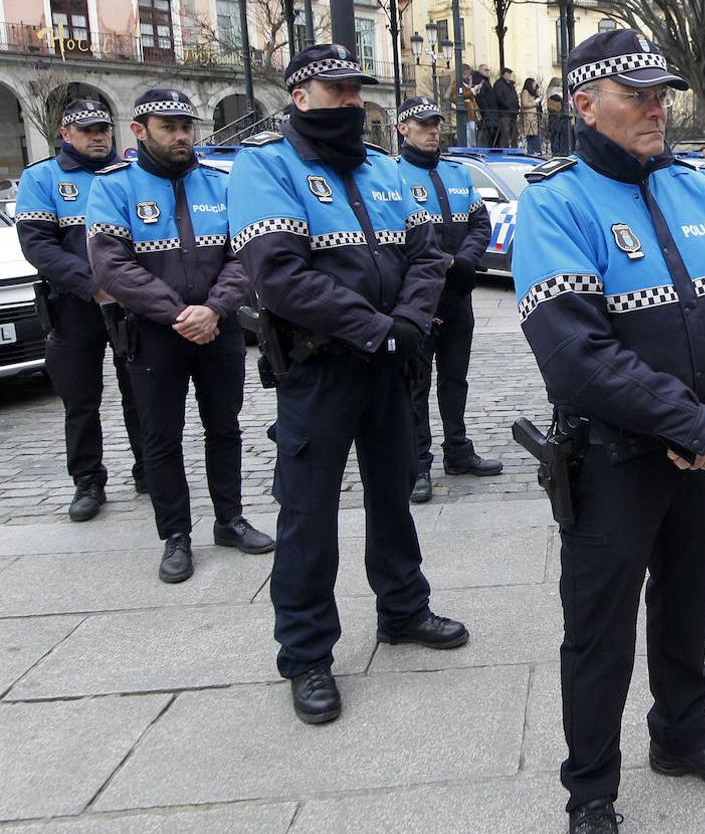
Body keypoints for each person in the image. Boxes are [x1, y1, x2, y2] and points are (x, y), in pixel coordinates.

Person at [511, 28, 705, 834]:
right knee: (598, 635)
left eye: (663, 95)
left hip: (698, 453)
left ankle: (683, 734)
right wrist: (696, 423)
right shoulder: (555, 200)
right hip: (613, 461)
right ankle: (591, 792)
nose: (658, 108)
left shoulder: (691, 186)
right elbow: (575, 356)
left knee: (688, 603)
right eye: (638, 96)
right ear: (584, 104)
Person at [227, 45, 468, 725]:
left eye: (356, 89)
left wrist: (409, 323)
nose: (352, 101)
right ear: (299, 95)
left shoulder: (388, 170)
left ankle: (403, 608)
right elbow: (280, 275)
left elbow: (429, 255)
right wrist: (377, 327)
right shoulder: (265, 167)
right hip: (319, 368)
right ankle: (306, 654)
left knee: (393, 494)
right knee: (308, 513)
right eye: (336, 90)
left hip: (389, 364)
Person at [86, 88, 273, 582]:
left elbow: (245, 254)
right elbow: (112, 266)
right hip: (154, 335)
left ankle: (229, 518)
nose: (181, 135)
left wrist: (213, 310)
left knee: (225, 427)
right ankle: (175, 535)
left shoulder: (220, 183)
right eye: (168, 126)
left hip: (219, 329)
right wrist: (178, 314)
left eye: (186, 126)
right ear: (140, 131)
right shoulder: (113, 186)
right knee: (161, 437)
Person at [15, 99, 145, 522]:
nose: (98, 137)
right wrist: (94, 286)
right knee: (81, 401)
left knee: (140, 393)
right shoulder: (43, 178)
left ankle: (150, 468)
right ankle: (89, 481)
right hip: (73, 305)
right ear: (65, 135)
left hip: (128, 303)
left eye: (103, 129)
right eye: (87, 130)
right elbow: (39, 246)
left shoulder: (129, 173)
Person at [395, 96, 502, 503]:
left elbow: (480, 222)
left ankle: (457, 449)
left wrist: (466, 261)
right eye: (424, 124)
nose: (434, 130)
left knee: (455, 378)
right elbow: (400, 236)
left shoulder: (457, 172)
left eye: (436, 123)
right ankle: (417, 463)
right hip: (418, 300)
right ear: (404, 128)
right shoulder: (392, 176)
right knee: (416, 385)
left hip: (457, 295)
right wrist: (444, 263)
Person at [473, 64, 498, 146]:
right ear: (480, 70)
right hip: (487, 113)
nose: (488, 72)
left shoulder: (485, 81)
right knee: (486, 136)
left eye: (488, 70)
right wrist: (486, 113)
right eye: (485, 70)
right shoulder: (480, 81)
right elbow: (481, 98)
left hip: (490, 112)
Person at [495, 67, 520, 148]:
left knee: (515, 132)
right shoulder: (499, 84)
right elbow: (499, 97)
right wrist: (507, 106)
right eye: (508, 74)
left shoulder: (511, 85)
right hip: (504, 112)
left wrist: (517, 106)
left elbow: (515, 97)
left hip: (513, 112)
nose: (509, 76)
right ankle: (505, 148)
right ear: (504, 75)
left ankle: (514, 147)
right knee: (505, 131)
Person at [519, 77, 542, 155]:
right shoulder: (525, 92)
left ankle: (536, 151)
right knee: (531, 137)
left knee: (535, 136)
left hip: (534, 118)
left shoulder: (533, 93)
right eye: (533, 84)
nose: (535, 85)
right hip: (529, 118)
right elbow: (525, 104)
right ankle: (532, 152)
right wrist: (535, 102)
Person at [546, 81, 569, 156]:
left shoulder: (552, 93)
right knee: (556, 137)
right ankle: (558, 152)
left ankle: (558, 152)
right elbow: (555, 106)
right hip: (556, 118)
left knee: (558, 137)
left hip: (557, 118)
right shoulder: (554, 93)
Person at [459, 64, 479, 148]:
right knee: (469, 131)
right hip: (467, 111)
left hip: (472, 111)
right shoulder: (458, 84)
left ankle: (472, 147)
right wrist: (473, 90)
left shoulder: (467, 84)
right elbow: (461, 95)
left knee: (473, 131)